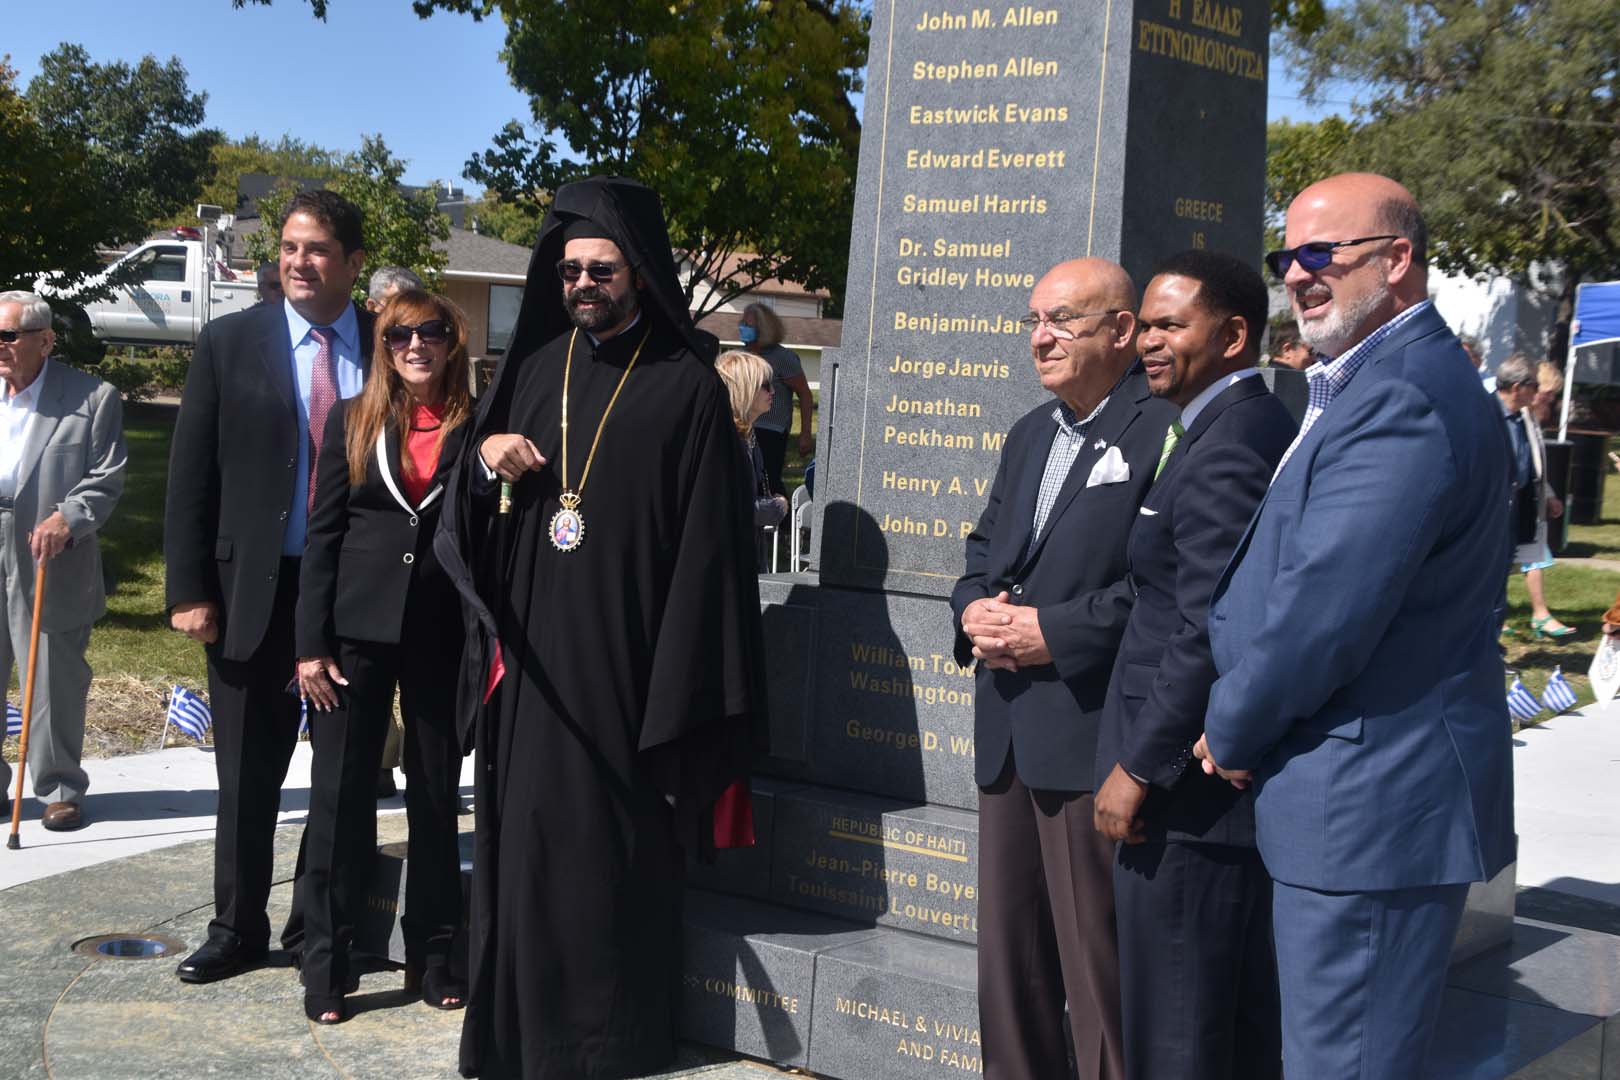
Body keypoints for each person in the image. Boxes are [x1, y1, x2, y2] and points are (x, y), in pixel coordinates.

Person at [435, 176, 768, 1079]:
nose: (584, 283)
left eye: (602, 269)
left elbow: (708, 564)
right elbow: (473, 504)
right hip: (533, 669)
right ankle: (514, 1038)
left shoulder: (688, 389)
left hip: (628, 680)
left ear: (639, 275)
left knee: (602, 869)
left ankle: (598, 1047)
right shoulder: (537, 369)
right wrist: (483, 461)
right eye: (571, 269)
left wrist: (671, 703)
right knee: (525, 857)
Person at [1195, 173, 1515, 1079]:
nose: (1297, 276)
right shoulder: (1369, 379)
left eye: (1321, 254)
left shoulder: (1402, 393)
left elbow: (1325, 611)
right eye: (1285, 256)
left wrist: (1230, 723)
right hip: (1354, 802)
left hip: (1373, 809)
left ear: (1399, 260)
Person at [951, 257, 1177, 1080]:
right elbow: (984, 550)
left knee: (1097, 966)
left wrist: (1055, 632)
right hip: (1007, 729)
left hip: (1092, 736)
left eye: (1063, 322)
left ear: (1122, 331)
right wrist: (971, 608)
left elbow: (1167, 587)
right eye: (1034, 321)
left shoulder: (1163, 428)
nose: (1040, 338)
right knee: (1009, 969)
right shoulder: (1030, 433)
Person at [1090, 252, 1294, 1080]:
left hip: (1189, 806)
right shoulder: (1214, 424)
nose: (1148, 341)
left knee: (1178, 1035)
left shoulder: (1230, 443)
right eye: (1145, 323)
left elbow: (1210, 626)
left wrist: (1140, 765)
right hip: (1188, 794)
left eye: (1172, 324)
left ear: (1236, 335)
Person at [165, 189, 372, 984]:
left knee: (340, 777)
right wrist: (189, 588)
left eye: (316, 248)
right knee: (247, 777)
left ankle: (316, 927)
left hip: (349, 599)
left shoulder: (390, 349)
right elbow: (189, 477)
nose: (297, 260)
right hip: (249, 593)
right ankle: (235, 925)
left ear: (352, 262)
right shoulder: (228, 342)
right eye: (289, 246)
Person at [293, 289, 473, 1024]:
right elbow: (323, 536)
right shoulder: (352, 419)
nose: (416, 345)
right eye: (401, 334)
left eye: (431, 332)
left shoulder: (477, 423)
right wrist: (309, 646)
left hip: (440, 634)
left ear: (451, 342)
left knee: (434, 799)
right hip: (353, 636)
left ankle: (434, 954)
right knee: (339, 801)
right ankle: (327, 964)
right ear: (385, 344)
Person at [0, 291, 126, 831]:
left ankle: (58, 786)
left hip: (48, 545)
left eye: (8, 336)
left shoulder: (91, 397)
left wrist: (68, 518)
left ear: (45, 340)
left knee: (51, 672)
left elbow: (106, 477)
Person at [1496, 353, 1570, 637]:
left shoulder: (1523, 418)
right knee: (1494, 569)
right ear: (1521, 388)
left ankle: (1497, 627)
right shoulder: (1498, 415)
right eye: (1543, 392)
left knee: (1507, 564)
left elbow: (1533, 461)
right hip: (1499, 505)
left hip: (1523, 502)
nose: (1544, 398)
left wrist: (1548, 493)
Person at [714, 349, 789, 566]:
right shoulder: (724, 440)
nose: (773, 391)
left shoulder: (748, 435)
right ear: (744, 389)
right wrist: (776, 507)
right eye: (765, 385)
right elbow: (729, 507)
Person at [739, 302, 813, 496]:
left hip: (772, 428)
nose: (743, 328)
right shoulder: (742, 355)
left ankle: (782, 520)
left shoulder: (783, 357)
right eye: (742, 323)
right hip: (745, 426)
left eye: (749, 325)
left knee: (768, 479)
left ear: (763, 329)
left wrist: (805, 433)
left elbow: (804, 394)